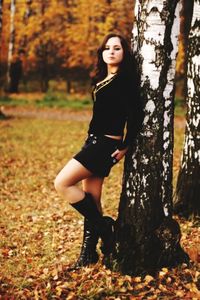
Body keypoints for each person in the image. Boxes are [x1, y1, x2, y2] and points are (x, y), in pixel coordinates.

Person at [54, 33, 144, 269]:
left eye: (117, 48)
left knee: (62, 183)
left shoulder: (124, 80)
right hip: (93, 142)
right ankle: (88, 254)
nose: (111, 52)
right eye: (107, 48)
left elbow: (136, 115)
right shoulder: (102, 78)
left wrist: (125, 147)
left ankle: (105, 227)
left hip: (105, 145)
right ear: (101, 52)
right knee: (92, 200)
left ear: (124, 53)